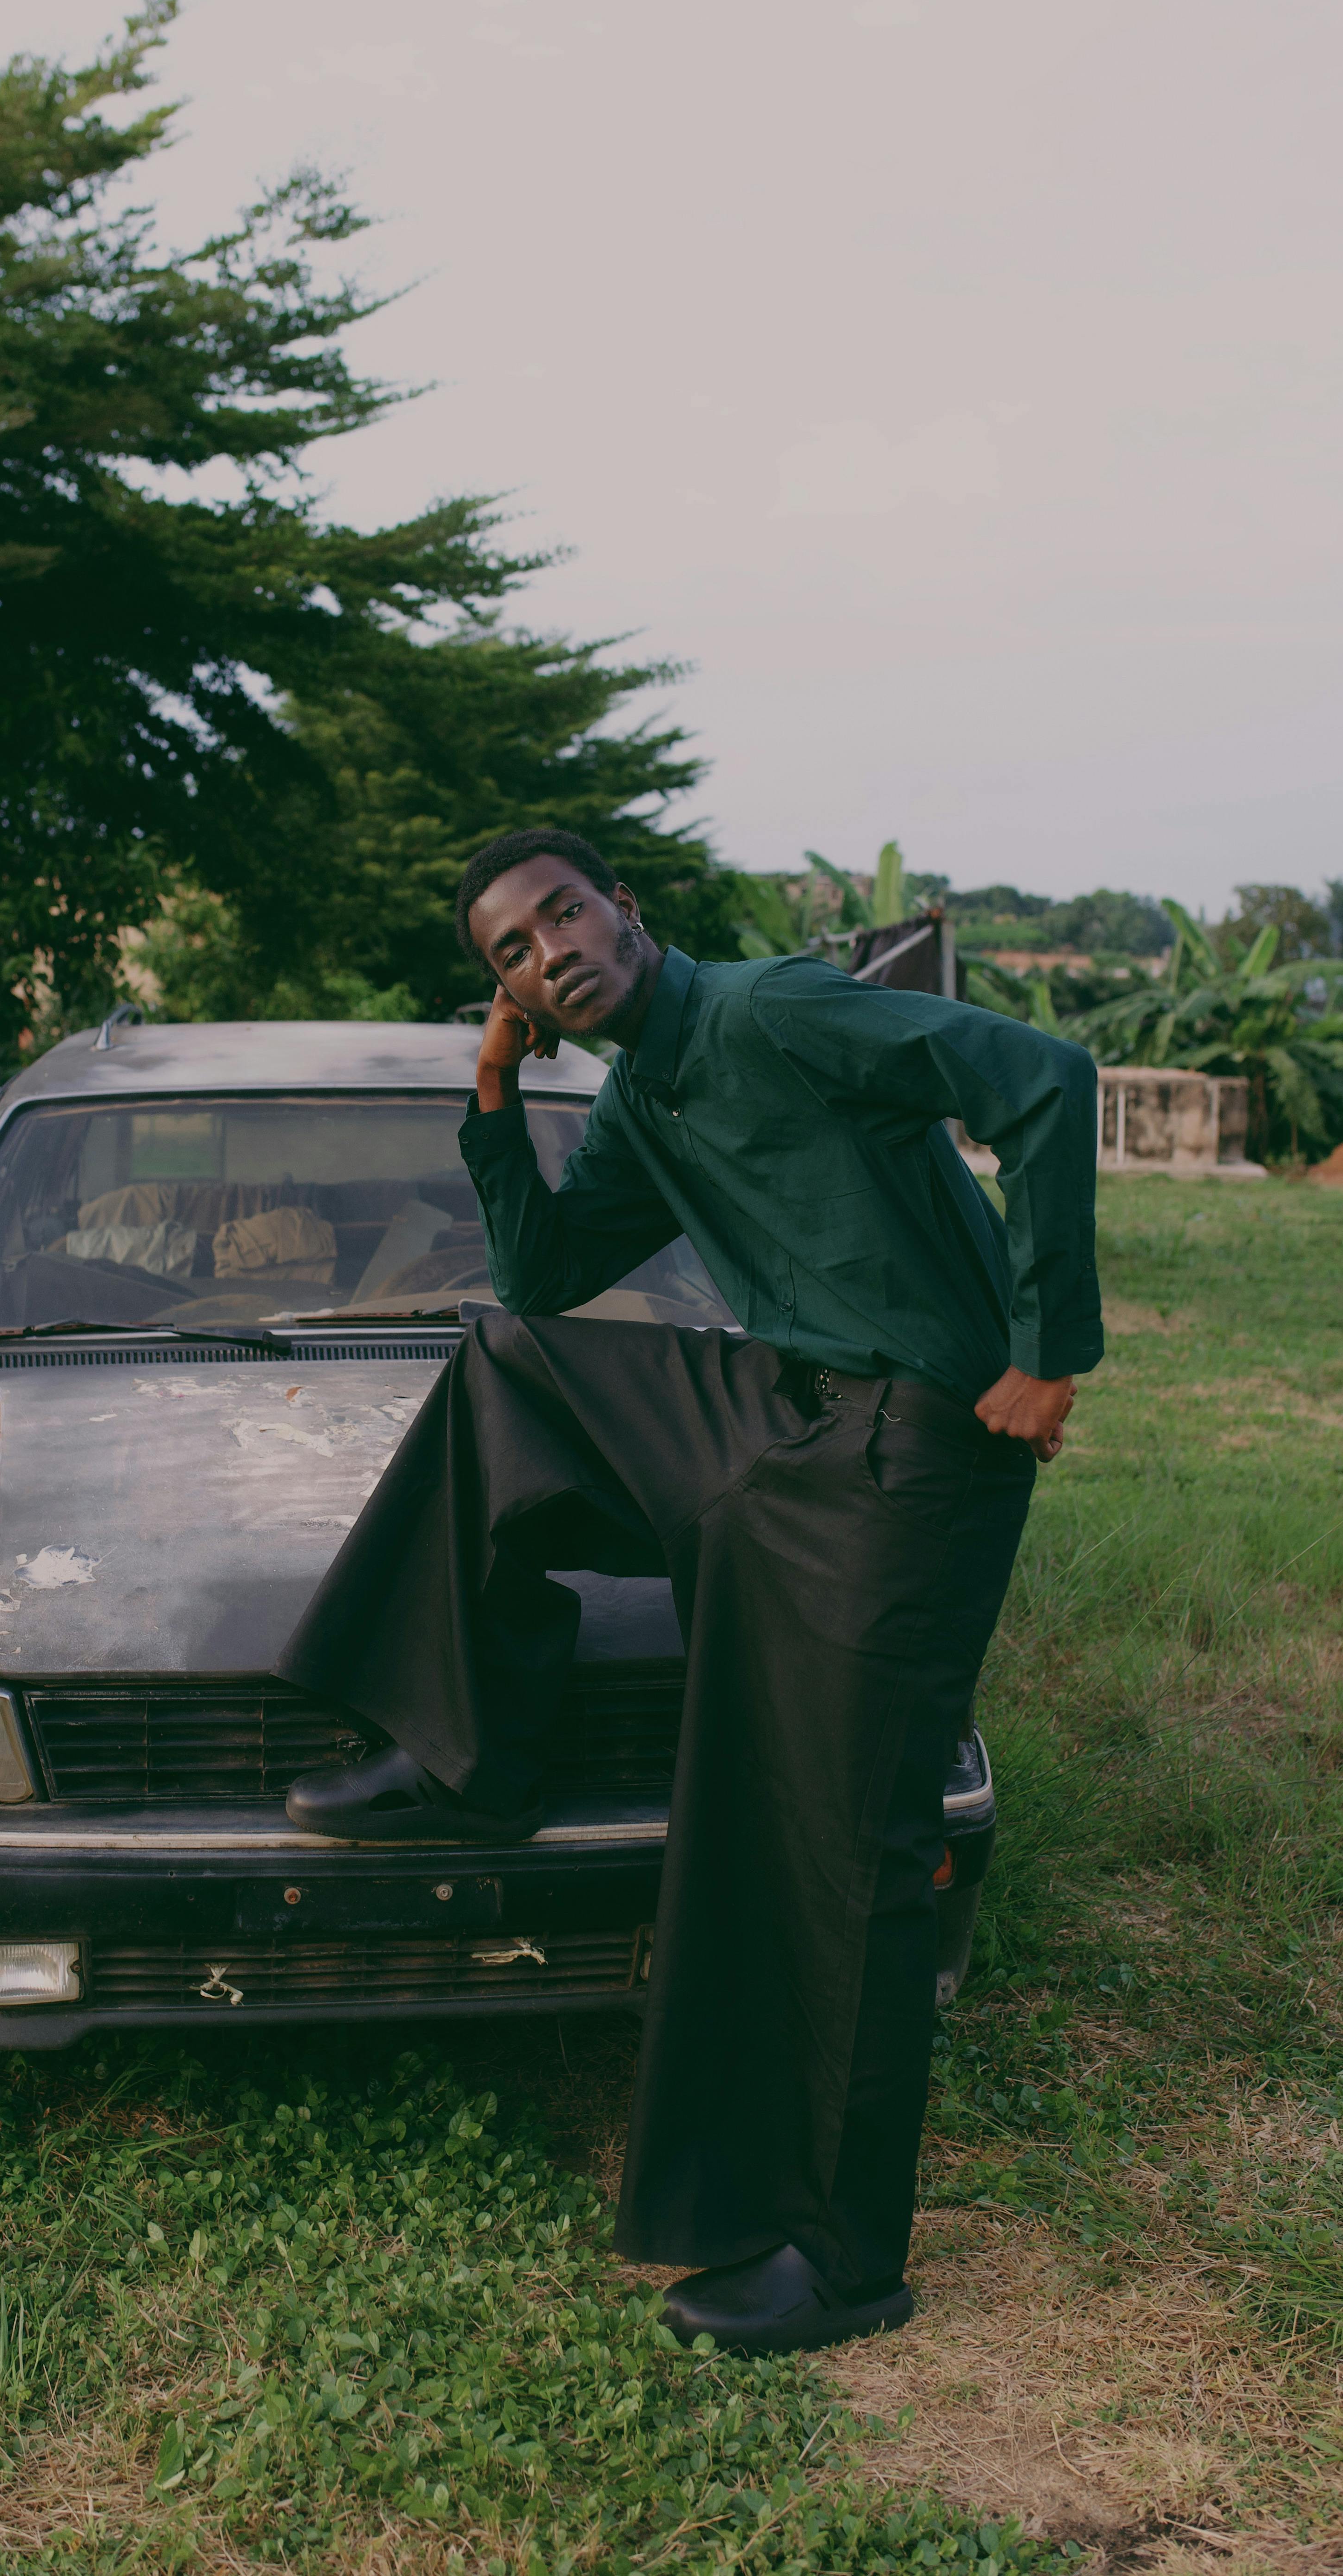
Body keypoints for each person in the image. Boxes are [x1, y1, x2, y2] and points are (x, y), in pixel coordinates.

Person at [276, 827, 1101, 2355]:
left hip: (911, 1456)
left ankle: (841, 2263)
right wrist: (491, 1097)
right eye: (513, 955)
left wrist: (1046, 1350)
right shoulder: (641, 1097)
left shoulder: (776, 1011)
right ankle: (471, 1747)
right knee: (510, 1368)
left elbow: (1043, 1077)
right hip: (779, 1418)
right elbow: (539, 1279)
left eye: (561, 915)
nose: (548, 954)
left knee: (835, 1852)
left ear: (621, 909)